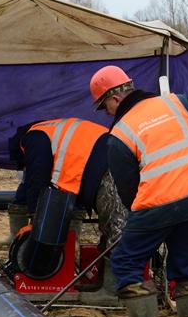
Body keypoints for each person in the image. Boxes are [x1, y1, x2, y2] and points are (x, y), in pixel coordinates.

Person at [90, 65, 188, 317]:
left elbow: (128, 190)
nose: (107, 114)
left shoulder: (120, 134)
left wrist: (141, 224)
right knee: (183, 261)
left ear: (114, 99)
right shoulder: (176, 103)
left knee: (126, 261)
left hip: (159, 203)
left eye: (104, 108)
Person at [7, 117, 127, 304]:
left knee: (116, 229)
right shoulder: (50, 131)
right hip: (106, 161)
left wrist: (33, 222)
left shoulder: (33, 138)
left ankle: (111, 293)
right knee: (110, 229)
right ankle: (102, 285)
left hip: (110, 167)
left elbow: (36, 179)